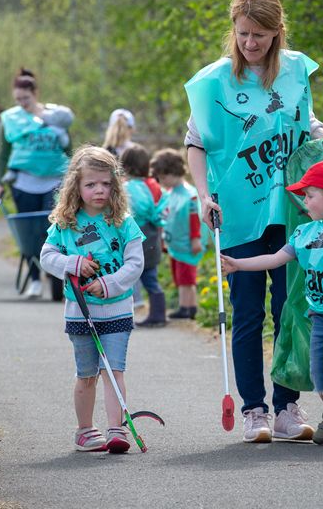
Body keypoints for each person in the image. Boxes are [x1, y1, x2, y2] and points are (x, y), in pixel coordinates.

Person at [183, 0, 323, 443]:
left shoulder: (295, 70)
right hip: (237, 212)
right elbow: (195, 143)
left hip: (292, 211)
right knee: (247, 312)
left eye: (260, 35)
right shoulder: (214, 81)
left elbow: (304, 120)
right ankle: (254, 410)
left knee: (290, 308)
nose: (250, 43)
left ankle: (286, 406)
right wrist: (203, 195)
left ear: (278, 33)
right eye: (243, 34)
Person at [221, 159, 323, 448]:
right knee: (320, 374)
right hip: (319, 315)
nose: (304, 201)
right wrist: (238, 265)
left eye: (310, 196)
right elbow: (274, 260)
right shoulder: (303, 234)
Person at [39, 145, 145, 453]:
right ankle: (85, 430)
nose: (99, 190)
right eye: (91, 184)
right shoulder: (64, 224)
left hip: (117, 309)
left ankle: (116, 430)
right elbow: (47, 256)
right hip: (80, 313)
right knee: (86, 375)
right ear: (76, 186)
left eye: (105, 184)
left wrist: (109, 284)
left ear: (115, 185)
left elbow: (134, 264)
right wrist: (72, 264)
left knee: (113, 370)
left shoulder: (124, 222)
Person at [0, 68, 73, 298]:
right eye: (18, 99)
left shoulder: (56, 117)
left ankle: (56, 279)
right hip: (23, 183)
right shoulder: (11, 119)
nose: (22, 103)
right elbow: (3, 154)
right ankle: (35, 280)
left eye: (26, 98)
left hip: (53, 182)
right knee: (28, 234)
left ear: (36, 93)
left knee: (52, 229)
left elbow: (68, 149)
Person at [150, 148, 206, 320]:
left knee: (186, 278)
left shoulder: (189, 195)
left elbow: (194, 218)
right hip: (176, 243)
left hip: (188, 245)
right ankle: (186, 306)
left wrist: (196, 239)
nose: (162, 182)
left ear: (173, 172)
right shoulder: (171, 193)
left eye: (163, 177)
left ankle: (188, 307)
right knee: (180, 277)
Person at [120, 143, 168, 328]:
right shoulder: (153, 184)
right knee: (151, 276)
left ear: (127, 167)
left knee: (134, 276)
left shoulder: (131, 186)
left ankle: (153, 315)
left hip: (139, 233)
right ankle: (159, 314)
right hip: (154, 233)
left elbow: (137, 210)